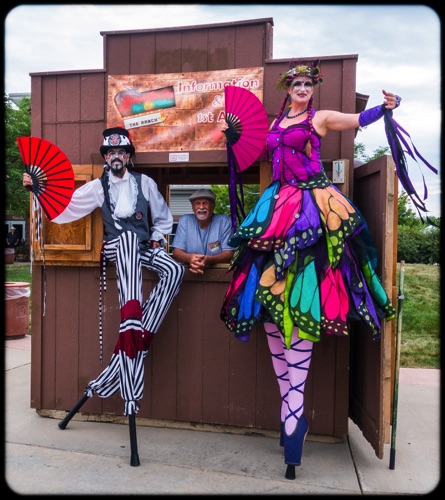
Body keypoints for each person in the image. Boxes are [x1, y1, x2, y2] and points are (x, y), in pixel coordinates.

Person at [220, 61, 398, 480]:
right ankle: (292, 412)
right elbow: (257, 151)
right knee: (266, 303)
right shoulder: (277, 121)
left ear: (313, 88)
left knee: (307, 295)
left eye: (307, 83)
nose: (302, 88)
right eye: (296, 84)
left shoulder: (319, 118)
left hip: (312, 208)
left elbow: (356, 120)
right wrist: (232, 140)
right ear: (288, 89)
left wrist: (385, 110)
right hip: (275, 206)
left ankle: (293, 413)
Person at [22, 126, 184, 420]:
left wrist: (158, 239)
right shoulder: (98, 187)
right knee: (125, 241)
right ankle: (132, 323)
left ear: (128, 156)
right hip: (114, 248)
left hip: (142, 247)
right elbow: (66, 209)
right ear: (106, 157)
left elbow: (162, 218)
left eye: (121, 152)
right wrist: (39, 188)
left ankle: (136, 338)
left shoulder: (144, 183)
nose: (116, 157)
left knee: (174, 269)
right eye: (111, 153)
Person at [171, 188, 235, 274]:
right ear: (192, 207)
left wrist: (208, 260)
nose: (201, 207)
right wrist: (189, 258)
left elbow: (229, 254)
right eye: (197, 203)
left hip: (219, 273)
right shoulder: (185, 220)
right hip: (189, 273)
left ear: (213, 206)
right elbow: (176, 252)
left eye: (205, 203)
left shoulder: (225, 221)